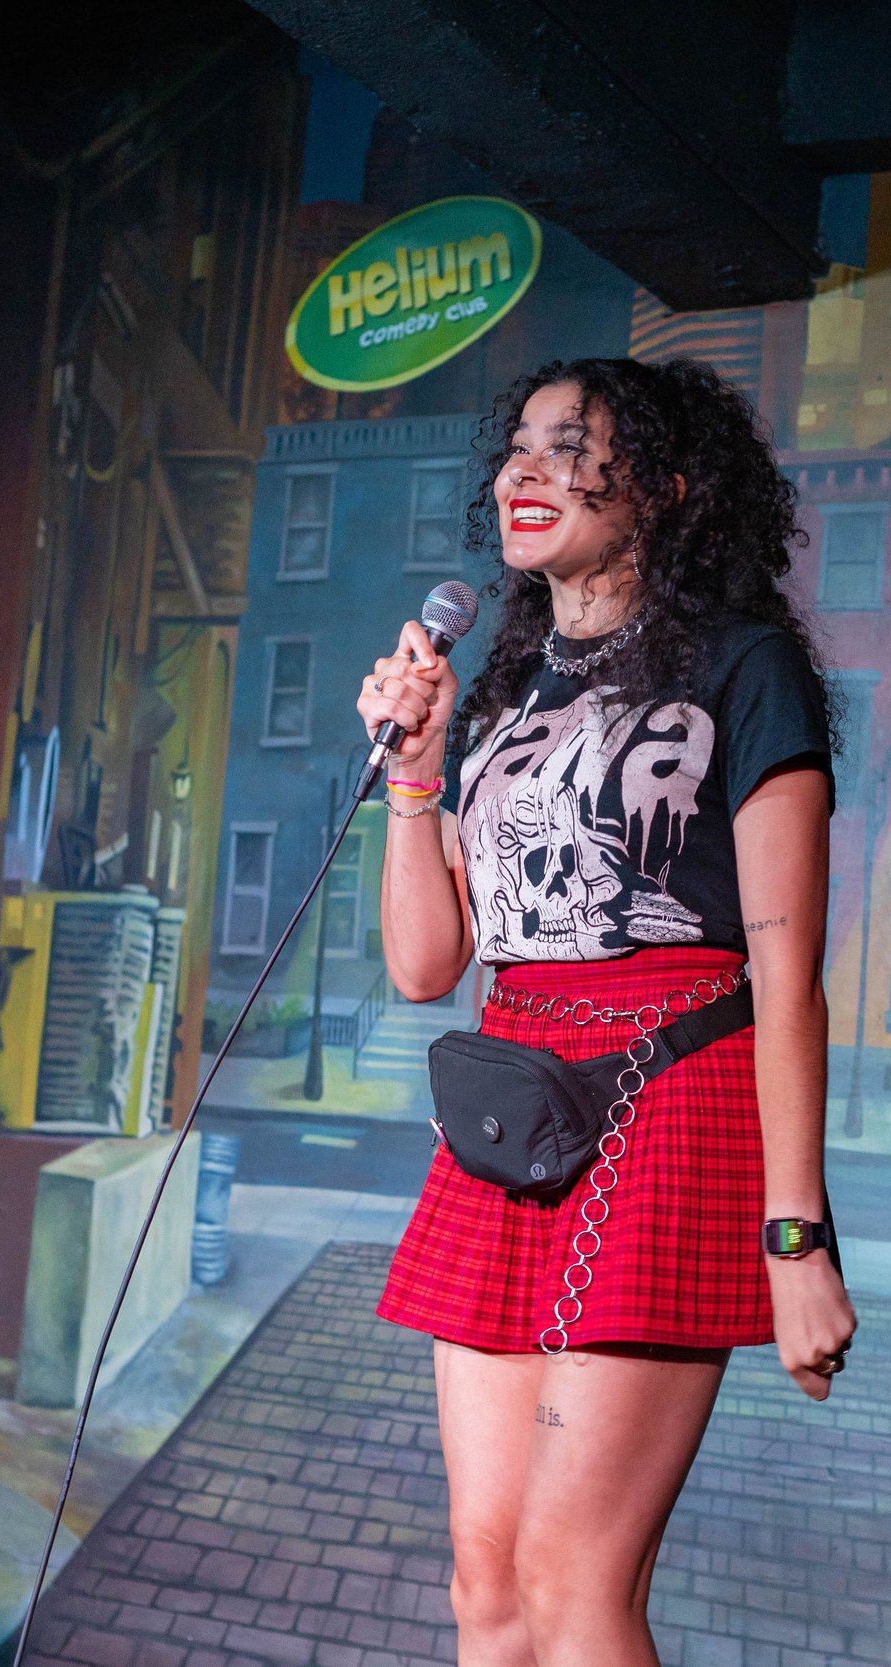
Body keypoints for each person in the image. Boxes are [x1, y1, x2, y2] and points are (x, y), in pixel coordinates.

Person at [354, 357, 857, 1665]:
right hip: (507, 1102)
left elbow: (788, 966)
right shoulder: (507, 695)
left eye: (568, 449)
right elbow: (425, 965)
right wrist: (416, 775)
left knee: (577, 1583)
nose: (524, 473)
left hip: (665, 1093)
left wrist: (796, 1235)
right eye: (516, 449)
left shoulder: (744, 671)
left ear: (669, 492)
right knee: (488, 1587)